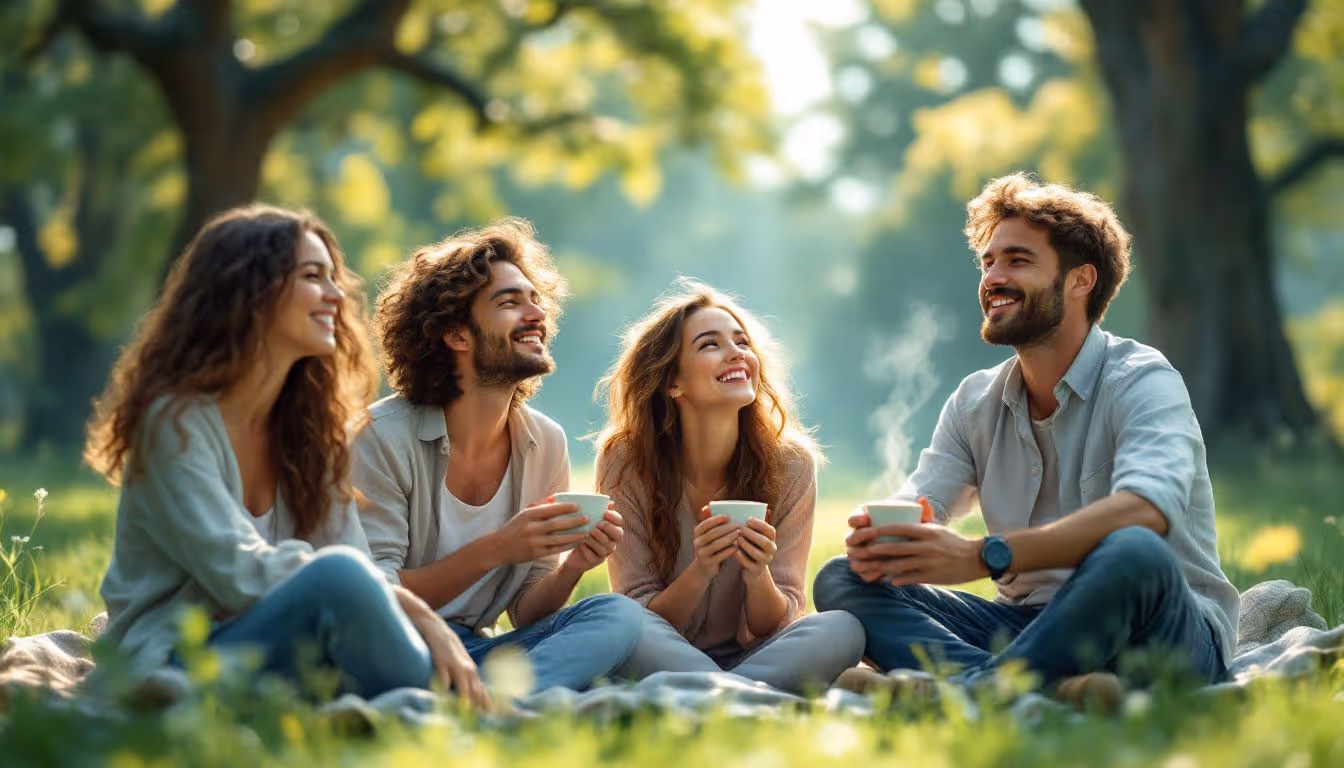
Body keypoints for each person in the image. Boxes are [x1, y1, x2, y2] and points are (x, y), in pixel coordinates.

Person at [814, 173, 1239, 706]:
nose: (993, 276)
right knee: (843, 578)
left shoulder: (1143, 379)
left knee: (1134, 551)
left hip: (1157, 627)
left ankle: (972, 693)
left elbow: (1144, 511)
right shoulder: (975, 402)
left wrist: (983, 556)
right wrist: (887, 535)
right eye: (988, 262)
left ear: (1080, 281)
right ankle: (1047, 689)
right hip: (1026, 625)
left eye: (1017, 260)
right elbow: (925, 499)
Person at [89, 205, 489, 709]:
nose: (336, 295)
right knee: (338, 575)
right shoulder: (174, 422)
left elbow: (354, 567)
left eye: (333, 278)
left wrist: (408, 614)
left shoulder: (307, 431)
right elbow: (238, 574)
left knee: (344, 576)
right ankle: (448, 700)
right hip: (173, 658)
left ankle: (447, 694)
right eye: (311, 276)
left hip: (280, 651)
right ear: (251, 292)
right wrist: (423, 616)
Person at [352, 218, 643, 695]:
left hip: (477, 647)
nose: (536, 315)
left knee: (616, 614)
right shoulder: (380, 436)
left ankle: (480, 699)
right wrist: (496, 549)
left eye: (536, 300)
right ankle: (503, 699)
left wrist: (573, 565)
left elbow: (526, 611)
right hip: (392, 644)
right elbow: (373, 595)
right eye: (510, 302)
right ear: (456, 335)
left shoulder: (545, 442)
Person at [595, 280, 865, 694]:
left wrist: (758, 575)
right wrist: (701, 569)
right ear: (672, 382)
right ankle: (749, 695)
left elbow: (779, 622)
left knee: (843, 628)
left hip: (753, 658)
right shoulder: (625, 461)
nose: (738, 352)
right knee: (616, 619)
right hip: (660, 650)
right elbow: (636, 615)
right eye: (710, 345)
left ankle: (714, 694)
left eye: (741, 341)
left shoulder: (791, 465)